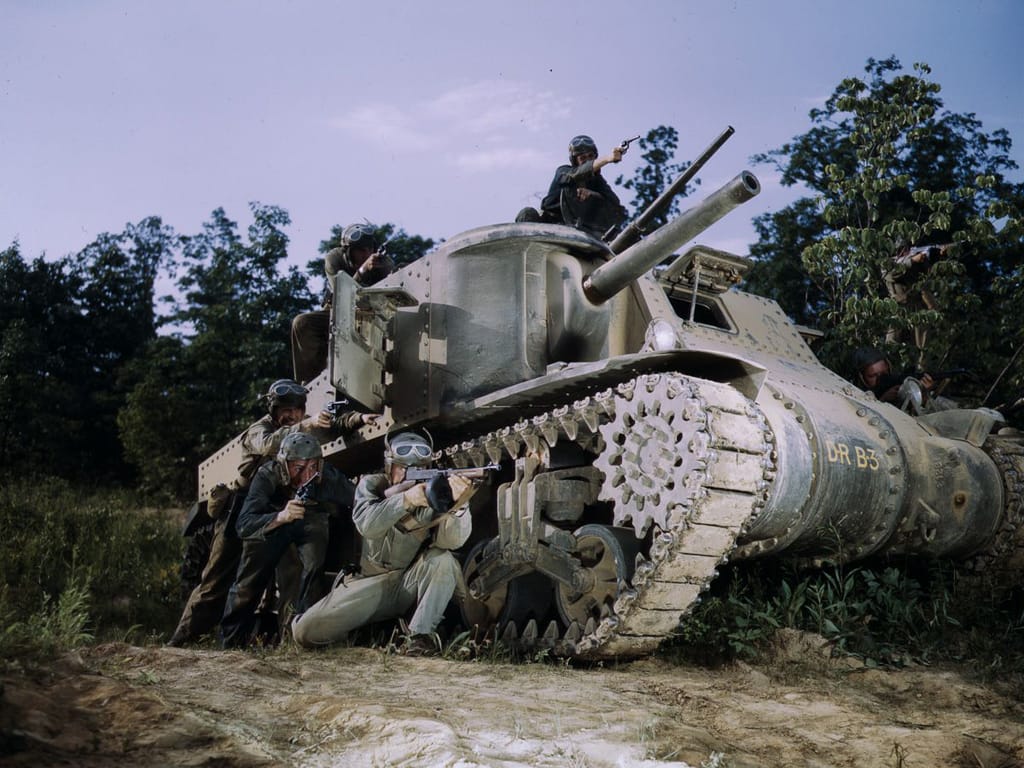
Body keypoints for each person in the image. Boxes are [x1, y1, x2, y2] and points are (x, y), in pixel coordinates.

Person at [167, 379, 373, 647]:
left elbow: (334, 426)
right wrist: (306, 425)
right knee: (215, 582)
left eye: (296, 409)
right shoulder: (260, 429)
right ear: (273, 411)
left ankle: (289, 641)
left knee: (290, 577)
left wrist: (359, 418)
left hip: (279, 510)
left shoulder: (301, 429)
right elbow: (267, 445)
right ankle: (182, 642)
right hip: (241, 508)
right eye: (284, 410)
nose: (290, 415)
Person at [292, 431, 475, 655]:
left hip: (406, 582)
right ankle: (360, 634)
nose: (410, 476)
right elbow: (368, 525)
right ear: (389, 467)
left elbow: (453, 541)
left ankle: (419, 638)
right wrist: (407, 499)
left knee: (443, 560)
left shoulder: (434, 492)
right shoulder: (370, 485)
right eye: (403, 468)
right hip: (367, 584)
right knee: (305, 632)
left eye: (418, 470)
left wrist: (459, 506)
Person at [220, 432, 356, 648]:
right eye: (299, 468)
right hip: (270, 522)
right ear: (284, 464)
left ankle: (300, 642)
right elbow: (244, 524)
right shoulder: (266, 475)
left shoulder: (327, 476)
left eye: (312, 468)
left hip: (309, 519)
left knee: (311, 572)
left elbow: (357, 497)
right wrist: (280, 516)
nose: (306, 475)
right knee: (249, 582)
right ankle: (231, 644)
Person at [291, 223, 395, 384]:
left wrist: (384, 271)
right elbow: (342, 292)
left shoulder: (383, 263)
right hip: (338, 310)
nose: (366, 254)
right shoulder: (334, 259)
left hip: (371, 315)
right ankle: (309, 383)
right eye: (360, 250)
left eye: (369, 249)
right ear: (348, 250)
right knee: (302, 323)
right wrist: (362, 271)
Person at [516, 135, 627, 238]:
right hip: (547, 229)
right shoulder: (564, 171)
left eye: (591, 156)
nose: (588, 160)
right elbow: (574, 176)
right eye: (583, 158)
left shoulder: (597, 182)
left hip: (580, 232)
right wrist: (607, 159)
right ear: (575, 161)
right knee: (527, 214)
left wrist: (592, 194)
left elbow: (615, 206)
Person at [852, 347, 954, 412]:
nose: (881, 378)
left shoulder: (899, 382)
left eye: (885, 373)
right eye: (873, 376)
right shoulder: (853, 395)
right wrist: (882, 400)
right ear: (861, 378)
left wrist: (923, 395)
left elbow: (949, 411)